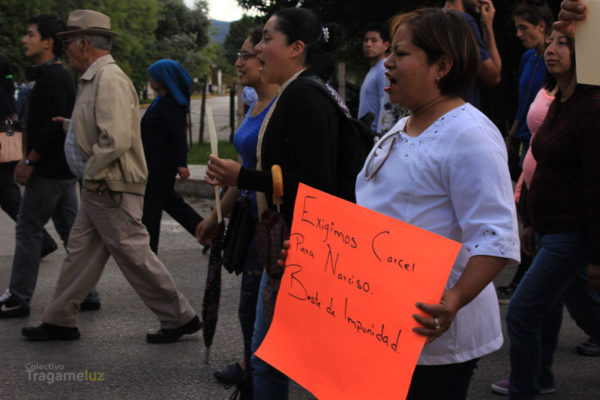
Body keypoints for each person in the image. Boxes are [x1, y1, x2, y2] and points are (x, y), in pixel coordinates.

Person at [356, 9, 519, 399]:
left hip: (432, 336)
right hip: (383, 321)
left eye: (400, 54)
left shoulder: (470, 134)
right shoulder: (402, 125)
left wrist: (454, 300)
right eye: (388, 53)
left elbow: (495, 236)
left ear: (442, 65)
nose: (387, 63)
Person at [21, 9, 200, 343]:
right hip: (100, 184)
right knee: (81, 254)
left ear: (84, 43)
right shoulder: (94, 77)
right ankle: (59, 319)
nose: (66, 48)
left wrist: (90, 172)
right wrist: (71, 128)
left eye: (68, 42)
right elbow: (103, 128)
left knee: (133, 254)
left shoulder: (109, 79)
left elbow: (114, 138)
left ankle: (180, 317)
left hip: (109, 184)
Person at [205, 8, 343, 399]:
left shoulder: (302, 95)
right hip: (295, 240)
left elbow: (316, 184)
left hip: (300, 243)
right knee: (272, 356)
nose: (258, 49)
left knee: (272, 359)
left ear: (297, 48)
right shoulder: (302, 90)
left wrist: (242, 177)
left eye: (267, 39)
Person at [494, 29, 600, 398]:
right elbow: (542, 166)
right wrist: (531, 222)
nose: (550, 50)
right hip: (547, 227)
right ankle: (541, 378)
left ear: (585, 52)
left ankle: (525, 389)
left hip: (571, 232)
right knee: (557, 307)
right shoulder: (560, 102)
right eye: (551, 42)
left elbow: (596, 185)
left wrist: (596, 256)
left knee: (522, 312)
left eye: (562, 43)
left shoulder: (593, 106)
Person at [196, 25, 279, 396]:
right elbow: (243, 172)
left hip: (268, 222)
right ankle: (253, 368)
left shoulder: (280, 107)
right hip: (246, 213)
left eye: (246, 54)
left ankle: (256, 375)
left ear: (265, 59)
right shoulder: (255, 103)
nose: (239, 61)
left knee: (255, 305)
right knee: (248, 306)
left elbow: (265, 177)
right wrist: (216, 215)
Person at [0, 15, 98, 319]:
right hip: (62, 171)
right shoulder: (53, 76)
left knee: (28, 228)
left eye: (30, 35)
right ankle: (88, 292)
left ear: (48, 42)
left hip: (49, 170)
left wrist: (29, 160)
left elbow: (53, 127)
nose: (24, 40)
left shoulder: (54, 78)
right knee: (70, 233)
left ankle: (18, 297)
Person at [496, 0, 553, 304]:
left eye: (524, 27)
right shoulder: (527, 59)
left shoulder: (556, 60)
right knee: (523, 211)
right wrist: (511, 132)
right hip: (523, 141)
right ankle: (526, 277)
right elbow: (523, 102)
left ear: (543, 27)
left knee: (532, 211)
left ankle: (526, 279)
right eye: (516, 27)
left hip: (543, 145)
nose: (519, 33)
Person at [140, 59, 204, 254]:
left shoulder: (171, 104)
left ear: (162, 79)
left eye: (154, 76)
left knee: (151, 210)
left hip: (161, 165)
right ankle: (208, 233)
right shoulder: (160, 100)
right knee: (172, 204)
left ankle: (148, 252)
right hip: (154, 163)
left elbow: (178, 135)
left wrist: (181, 164)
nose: (151, 79)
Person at [0, 52, 57, 266]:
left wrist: (6, 142)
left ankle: (43, 240)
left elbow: (8, 121)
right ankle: (44, 240)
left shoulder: (2, 91)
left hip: (2, 154)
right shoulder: (7, 88)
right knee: (10, 200)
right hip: (5, 153)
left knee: (12, 200)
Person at [443, 0, 502, 109]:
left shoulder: (433, 19)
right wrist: (487, 26)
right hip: (460, 113)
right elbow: (493, 77)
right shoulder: (463, 21)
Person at [358, 22, 390, 131]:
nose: (368, 44)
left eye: (374, 40)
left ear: (386, 45)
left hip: (375, 136)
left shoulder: (384, 69)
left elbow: (386, 106)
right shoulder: (374, 69)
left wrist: (380, 138)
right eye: (366, 40)